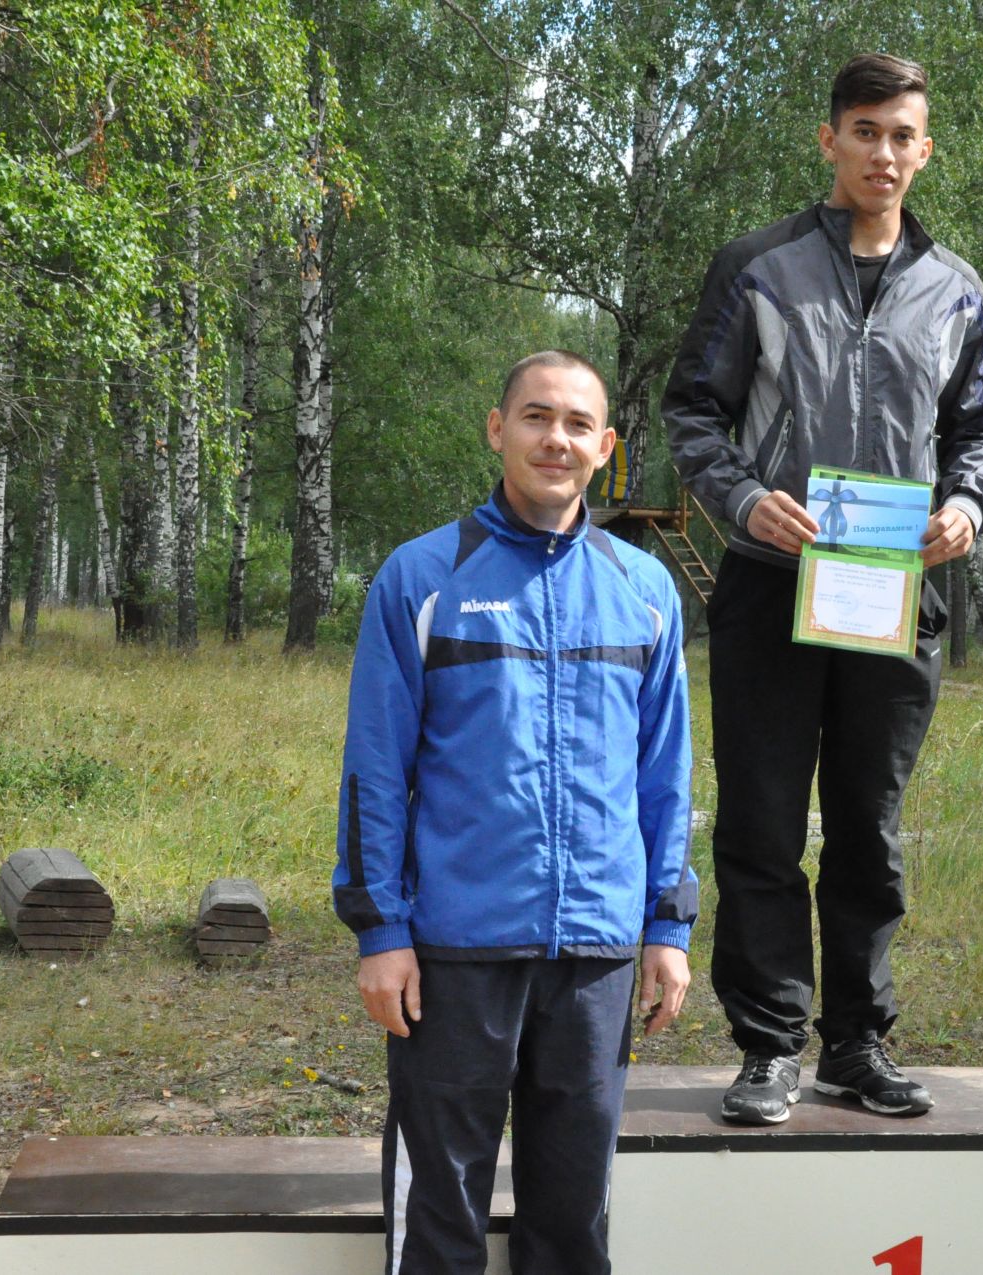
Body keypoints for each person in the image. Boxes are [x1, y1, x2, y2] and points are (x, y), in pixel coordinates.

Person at [663, 52, 983, 1125]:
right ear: (829, 141)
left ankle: (857, 1045)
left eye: (904, 135)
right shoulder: (756, 266)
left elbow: (980, 434)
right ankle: (769, 1049)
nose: (885, 154)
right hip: (773, 586)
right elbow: (692, 415)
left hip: (897, 598)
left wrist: (968, 507)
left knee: (871, 827)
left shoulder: (957, 289)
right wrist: (744, 498)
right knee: (763, 824)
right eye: (865, 131)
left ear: (926, 148)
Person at [334, 350, 697, 1275]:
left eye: (578, 424)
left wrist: (667, 924)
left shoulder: (644, 590)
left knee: (572, 1223)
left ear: (605, 446)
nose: (556, 439)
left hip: (597, 954)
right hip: (454, 952)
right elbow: (376, 772)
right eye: (536, 417)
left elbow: (666, 776)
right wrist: (381, 932)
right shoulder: (420, 578)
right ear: (497, 429)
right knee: (441, 1222)